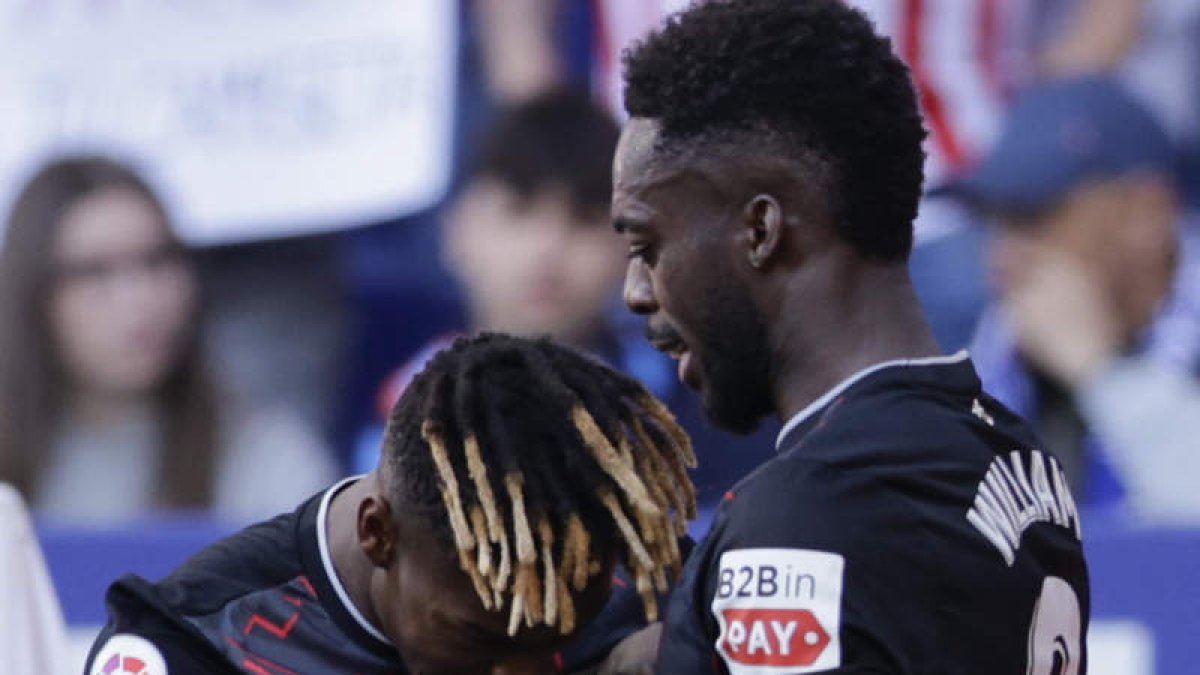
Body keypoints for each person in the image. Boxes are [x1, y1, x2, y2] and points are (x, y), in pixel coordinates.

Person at [610, 1, 1089, 672]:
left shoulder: (801, 516)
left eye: (648, 243)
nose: (636, 290)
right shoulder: (1016, 453)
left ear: (760, 231)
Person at [86, 333, 696, 674]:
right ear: (378, 534)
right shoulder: (194, 645)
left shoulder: (660, 598)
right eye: (481, 642)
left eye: (564, 637)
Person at [356, 88, 775, 516]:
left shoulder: (697, 397)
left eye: (586, 219)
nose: (549, 249)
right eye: (519, 211)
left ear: (634, 248)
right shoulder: (403, 405)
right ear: (456, 231)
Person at [0, 156, 335, 525]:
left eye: (157, 261)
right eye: (94, 272)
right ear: (31, 297)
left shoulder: (267, 460)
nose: (140, 297)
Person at [943, 75, 1200, 524]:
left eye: (1031, 216)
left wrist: (1103, 372)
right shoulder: (987, 358)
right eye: (993, 220)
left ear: (1146, 213)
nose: (1002, 255)